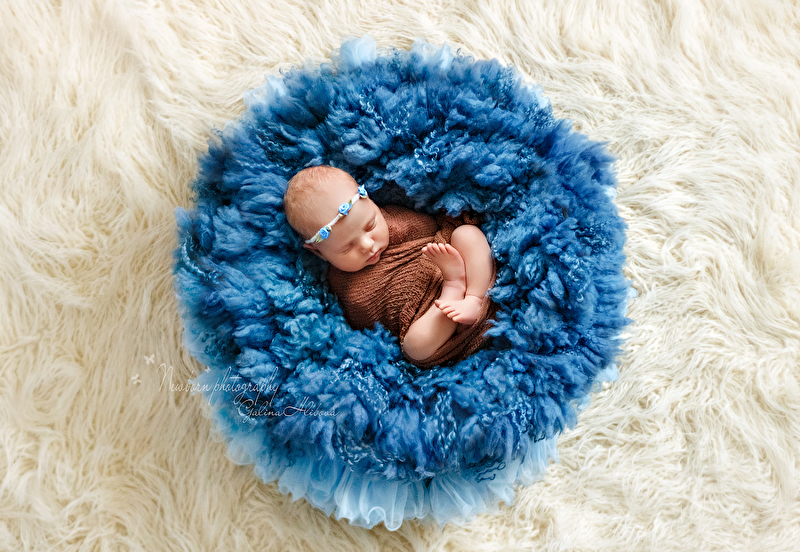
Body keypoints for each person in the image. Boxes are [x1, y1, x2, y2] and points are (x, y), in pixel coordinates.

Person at [283, 165, 497, 367]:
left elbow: (436, 229)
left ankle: (474, 298)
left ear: (371, 202)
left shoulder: (395, 219)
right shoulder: (343, 286)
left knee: (466, 234)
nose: (368, 245)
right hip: (431, 318)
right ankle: (454, 286)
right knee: (414, 346)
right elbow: (369, 319)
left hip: (457, 273)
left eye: (370, 226)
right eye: (348, 247)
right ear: (319, 252)